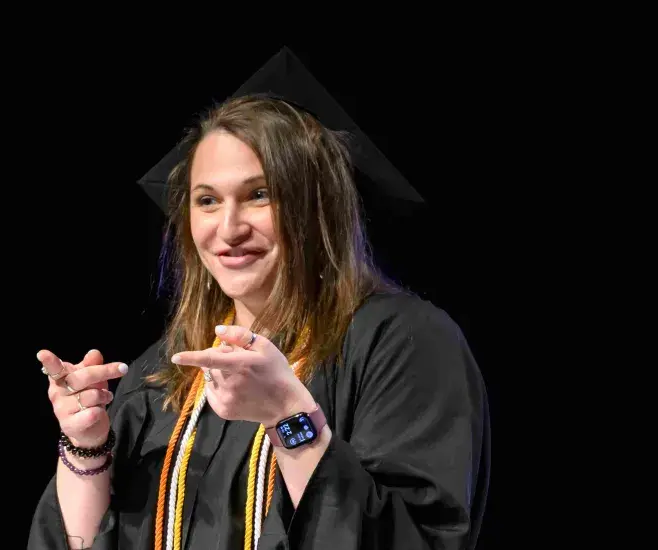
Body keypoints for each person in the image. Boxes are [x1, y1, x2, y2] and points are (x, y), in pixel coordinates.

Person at [27, 94, 490, 550]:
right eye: (206, 200)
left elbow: (416, 539)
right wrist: (86, 446)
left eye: (259, 195)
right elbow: (80, 542)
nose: (228, 228)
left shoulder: (403, 343)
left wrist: (288, 418)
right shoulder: (167, 372)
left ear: (316, 206)